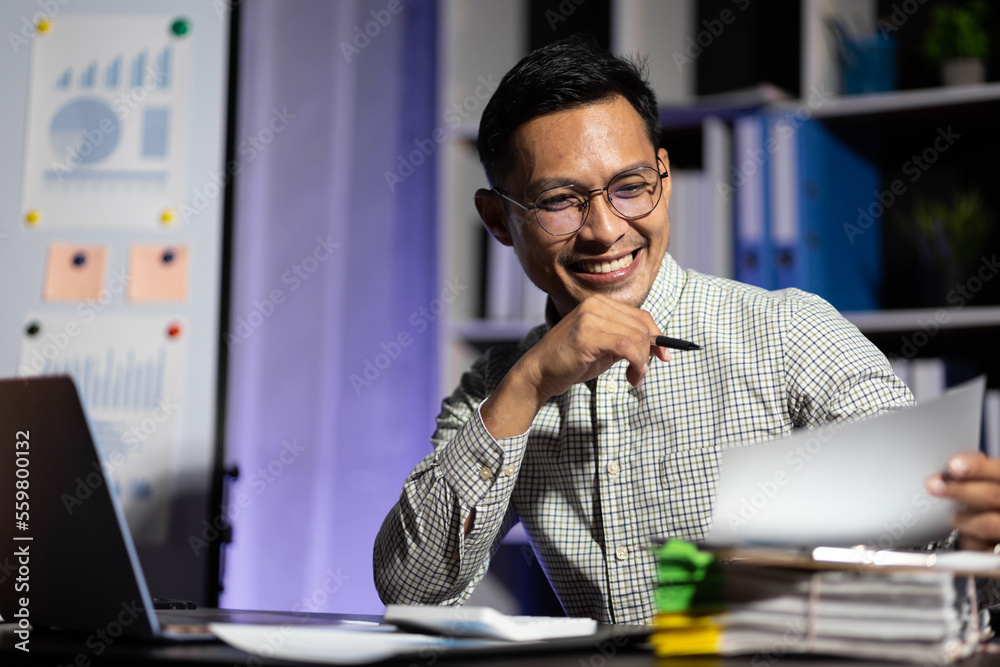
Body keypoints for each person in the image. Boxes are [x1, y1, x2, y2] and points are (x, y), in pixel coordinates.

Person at [373, 35, 996, 624]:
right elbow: (412, 589)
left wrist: (971, 534)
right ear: (499, 219)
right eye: (560, 200)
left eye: (629, 187)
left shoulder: (789, 333)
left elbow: (934, 536)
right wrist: (530, 382)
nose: (605, 230)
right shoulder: (496, 390)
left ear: (664, 180)